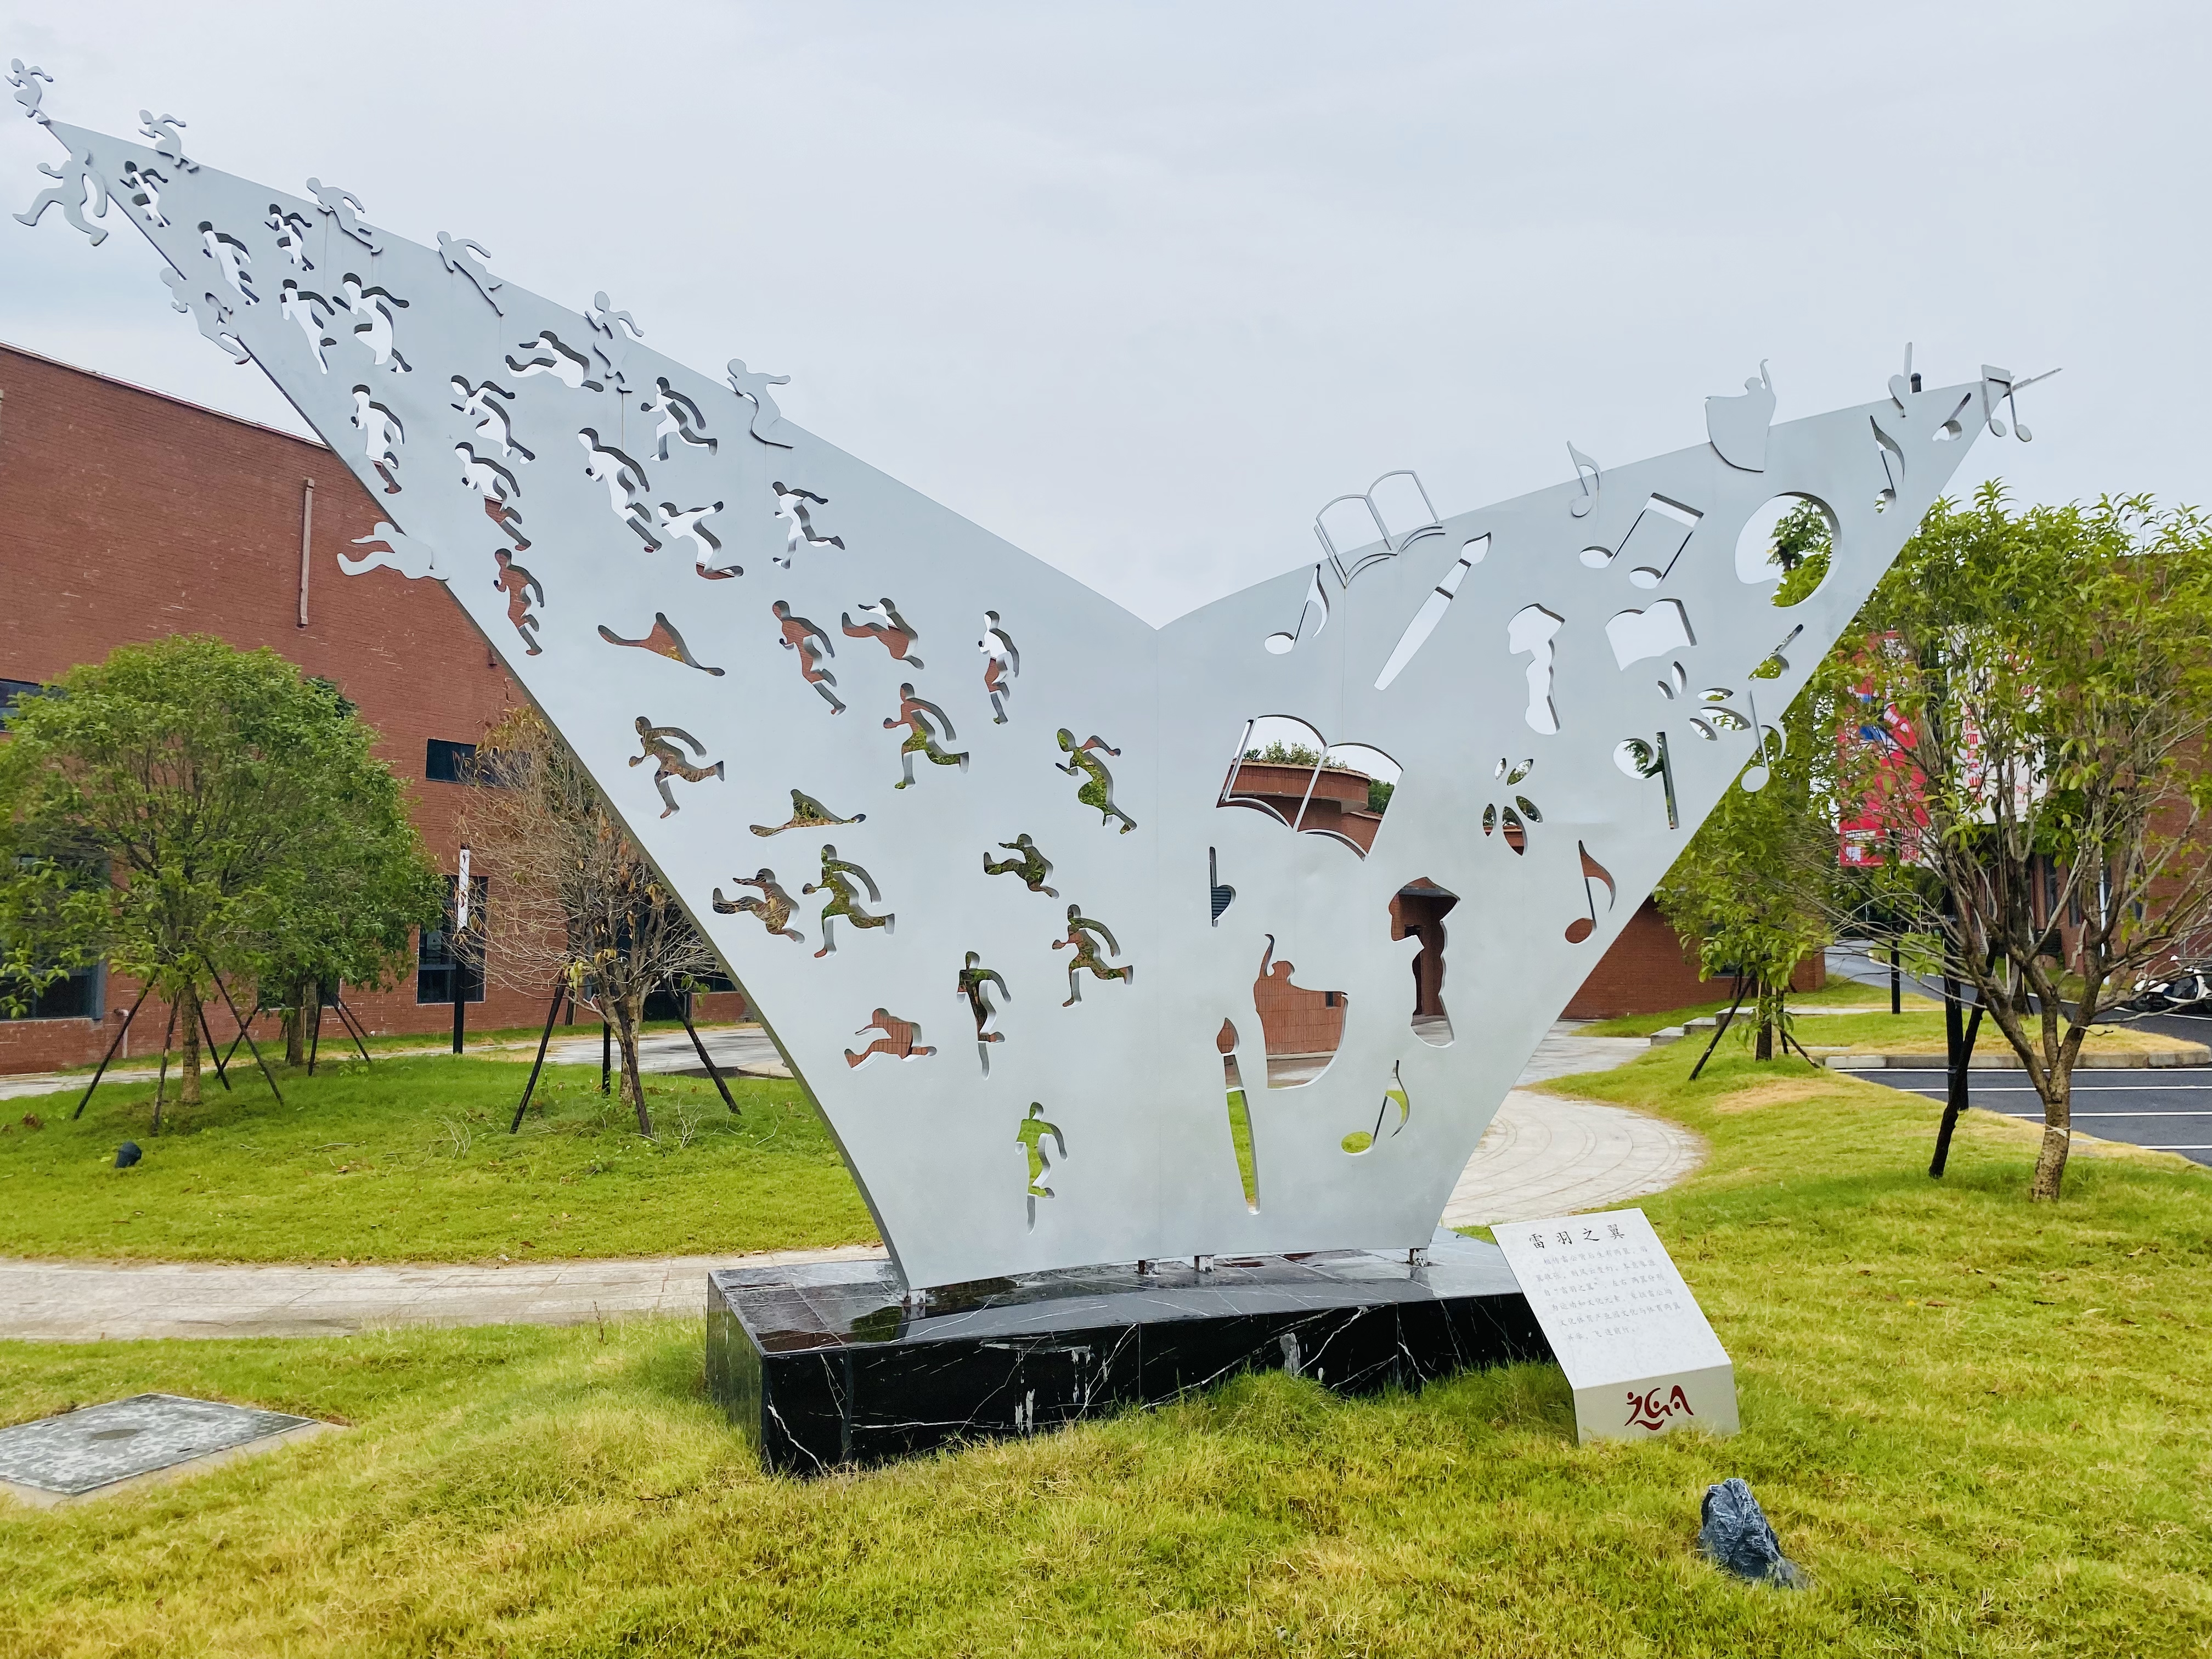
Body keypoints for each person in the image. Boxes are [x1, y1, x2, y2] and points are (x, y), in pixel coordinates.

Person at [629, 716, 723, 817]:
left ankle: (671, 807)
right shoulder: (644, 740)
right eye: (637, 727)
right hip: (668, 760)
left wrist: (696, 747)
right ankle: (715, 769)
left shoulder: (650, 734)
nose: (638, 729)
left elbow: (676, 733)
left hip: (671, 758)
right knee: (690, 777)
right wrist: (638, 761)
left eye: (639, 726)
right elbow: (649, 754)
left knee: (659, 778)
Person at [1056, 729, 1136, 832]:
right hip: (1104, 780)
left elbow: (1095, 741)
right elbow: (1095, 740)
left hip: (1101, 781)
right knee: (1092, 798)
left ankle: (1110, 813)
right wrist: (1111, 752)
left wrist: (1110, 752)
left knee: (1086, 796)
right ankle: (1119, 818)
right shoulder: (1079, 754)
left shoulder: (1077, 756)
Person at [1054, 905, 1132, 1006]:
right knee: (1074, 968)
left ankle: (1123, 972)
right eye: (1069, 914)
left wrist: (1112, 945)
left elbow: (1100, 928)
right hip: (1082, 953)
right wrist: (1062, 945)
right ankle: (1074, 997)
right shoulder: (1070, 928)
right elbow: (1073, 940)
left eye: (1071, 913)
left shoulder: (1080, 922)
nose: (1070, 916)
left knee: (1100, 973)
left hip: (1089, 951)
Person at [713, 871, 803, 943]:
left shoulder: (772, 890)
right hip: (778, 917)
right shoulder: (772, 890)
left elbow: (758, 884)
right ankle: (723, 907)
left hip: (779, 918)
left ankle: (723, 907)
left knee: (749, 902)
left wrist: (789, 934)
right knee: (750, 902)